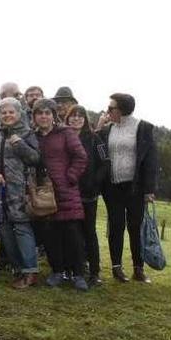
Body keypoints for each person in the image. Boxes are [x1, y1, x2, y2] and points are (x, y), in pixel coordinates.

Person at [0, 98, 41, 289]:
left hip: (20, 192)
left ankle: (30, 271)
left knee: (22, 230)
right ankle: (18, 269)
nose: (7, 115)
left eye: (11, 112)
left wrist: (19, 144)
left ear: (18, 113)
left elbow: (35, 159)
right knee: (4, 232)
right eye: (3, 112)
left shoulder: (28, 134)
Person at [97, 93, 158, 283]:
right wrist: (99, 126)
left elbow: (151, 160)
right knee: (116, 226)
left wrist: (149, 189)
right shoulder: (107, 130)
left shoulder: (143, 128)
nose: (107, 111)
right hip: (112, 186)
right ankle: (117, 268)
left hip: (135, 188)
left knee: (135, 226)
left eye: (111, 108)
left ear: (122, 110)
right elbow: (95, 148)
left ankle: (138, 269)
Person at [34, 99, 89, 291]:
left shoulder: (66, 133)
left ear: (53, 115)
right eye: (39, 113)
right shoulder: (33, 137)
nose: (43, 116)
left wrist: (71, 176)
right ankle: (57, 271)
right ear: (34, 116)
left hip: (66, 190)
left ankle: (79, 274)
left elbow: (81, 156)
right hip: (44, 193)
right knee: (50, 234)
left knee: (72, 234)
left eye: (47, 113)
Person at [65, 105, 108, 285]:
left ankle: (94, 272)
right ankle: (72, 269)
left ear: (85, 119)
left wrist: (95, 183)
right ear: (67, 118)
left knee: (89, 232)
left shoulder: (95, 139)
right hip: (67, 192)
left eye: (80, 116)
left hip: (88, 195)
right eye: (73, 116)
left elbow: (105, 163)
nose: (76, 119)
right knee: (69, 232)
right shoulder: (62, 137)